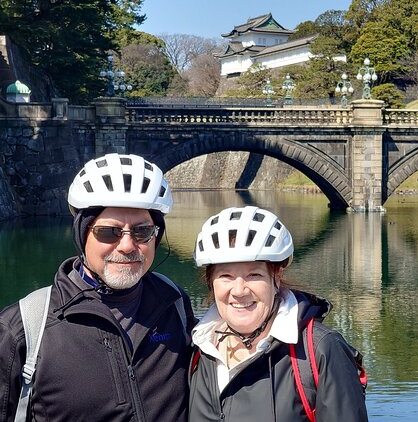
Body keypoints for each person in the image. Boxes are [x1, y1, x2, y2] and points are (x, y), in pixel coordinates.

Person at [0, 153, 197, 421]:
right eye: (108, 232)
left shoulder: (175, 304)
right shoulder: (23, 328)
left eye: (142, 232)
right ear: (82, 234)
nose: (127, 246)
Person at [189, 205, 368, 421]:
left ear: (276, 276)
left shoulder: (321, 349)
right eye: (226, 276)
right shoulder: (199, 348)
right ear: (211, 281)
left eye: (253, 275)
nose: (239, 291)